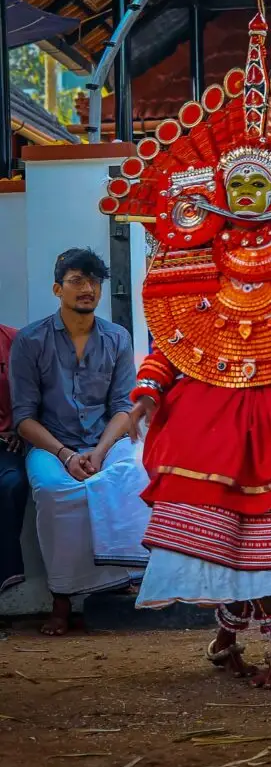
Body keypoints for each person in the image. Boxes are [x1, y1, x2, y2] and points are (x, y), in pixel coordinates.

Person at [98, 13, 271, 689]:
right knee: (218, 538)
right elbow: (168, 348)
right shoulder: (185, 269)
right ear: (218, 198)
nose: (249, 203)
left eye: (260, 189)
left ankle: (256, 645)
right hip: (202, 422)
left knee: (248, 542)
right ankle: (262, 644)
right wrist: (143, 399)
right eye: (239, 191)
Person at [9, 248, 150, 635]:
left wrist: (101, 451)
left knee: (133, 473)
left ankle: (127, 581)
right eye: (76, 281)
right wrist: (65, 454)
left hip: (105, 438)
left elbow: (123, 406)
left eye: (93, 282)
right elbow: (24, 418)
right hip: (50, 444)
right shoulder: (30, 340)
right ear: (58, 288)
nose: (87, 289)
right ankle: (62, 599)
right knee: (55, 491)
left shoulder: (117, 338)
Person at [0, 324, 28, 596]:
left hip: (5, 444)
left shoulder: (14, 339)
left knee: (11, 483)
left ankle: (6, 577)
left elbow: (29, 394)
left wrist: (21, 426)